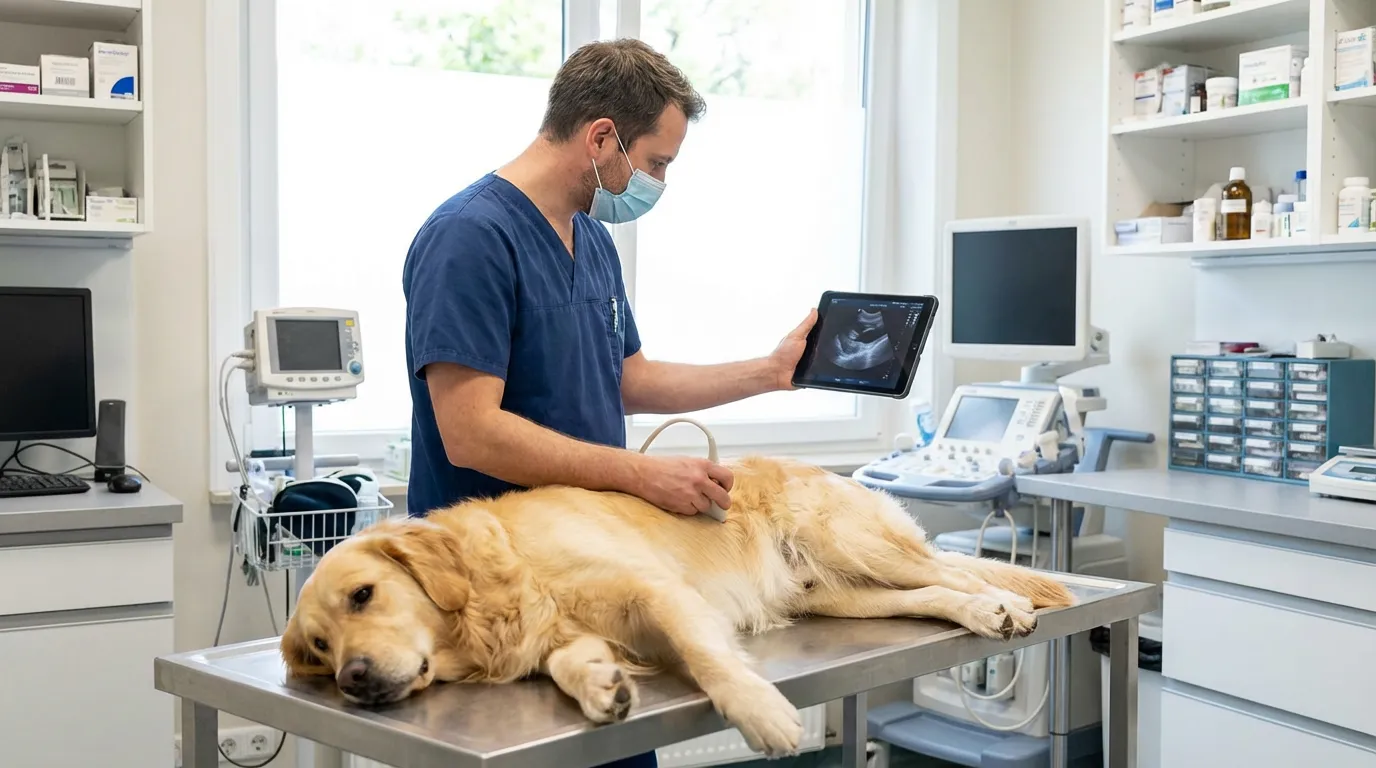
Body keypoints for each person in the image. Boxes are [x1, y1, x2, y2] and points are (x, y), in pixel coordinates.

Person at [401, 39, 815, 768]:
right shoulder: (469, 239)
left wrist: (770, 372)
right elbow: (470, 434)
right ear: (601, 138)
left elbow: (630, 378)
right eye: (656, 163)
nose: (657, 183)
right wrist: (639, 475)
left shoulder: (589, 240)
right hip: (497, 589)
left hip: (588, 571)